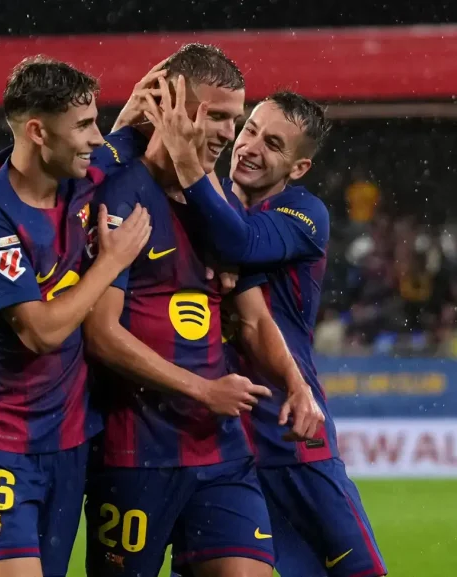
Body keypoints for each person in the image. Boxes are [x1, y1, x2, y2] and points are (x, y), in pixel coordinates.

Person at [81, 44, 323, 577]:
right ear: (169, 108)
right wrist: (204, 391)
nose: (228, 134)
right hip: (136, 452)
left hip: (220, 452)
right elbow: (100, 335)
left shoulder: (222, 208)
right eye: (214, 116)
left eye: (234, 120)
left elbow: (255, 319)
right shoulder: (120, 197)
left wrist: (296, 383)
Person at [145, 88, 387, 576]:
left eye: (273, 144)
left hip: (288, 434)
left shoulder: (304, 214)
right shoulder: (202, 202)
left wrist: (189, 163)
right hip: (213, 441)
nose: (251, 147)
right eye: (250, 130)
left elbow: (242, 241)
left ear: (298, 168)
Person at [0, 56, 153, 577]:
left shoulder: (84, 174)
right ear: (38, 132)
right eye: (83, 125)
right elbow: (41, 332)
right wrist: (110, 263)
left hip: (69, 442)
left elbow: (126, 134)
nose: (96, 137)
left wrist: (148, 99)